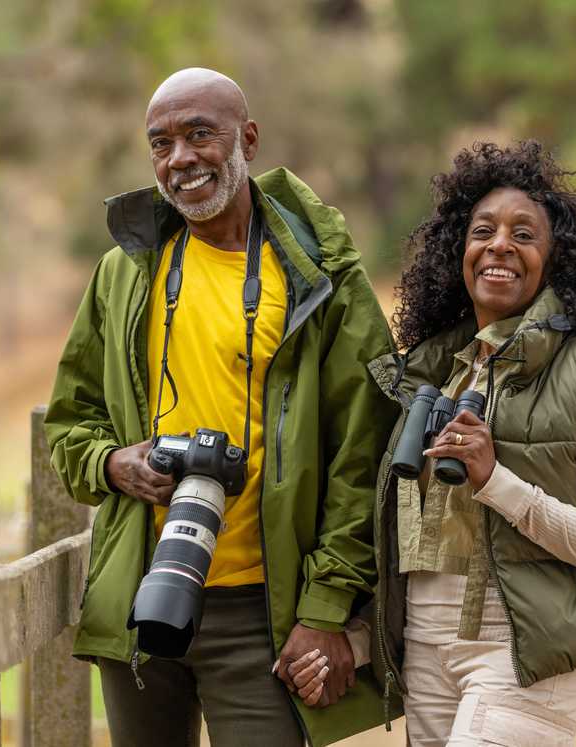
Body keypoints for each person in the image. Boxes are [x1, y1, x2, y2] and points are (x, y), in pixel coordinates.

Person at [44, 67, 398, 747]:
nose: (181, 159)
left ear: (249, 139)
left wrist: (325, 608)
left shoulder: (320, 277)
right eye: (162, 143)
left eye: (199, 134)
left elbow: (364, 456)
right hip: (144, 597)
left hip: (263, 610)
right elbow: (70, 419)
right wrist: (113, 463)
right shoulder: (124, 272)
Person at [360, 140, 576, 745]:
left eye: (524, 234)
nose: (499, 245)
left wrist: (495, 482)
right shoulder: (431, 372)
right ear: (459, 250)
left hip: (525, 651)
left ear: (557, 260)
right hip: (426, 654)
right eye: (482, 230)